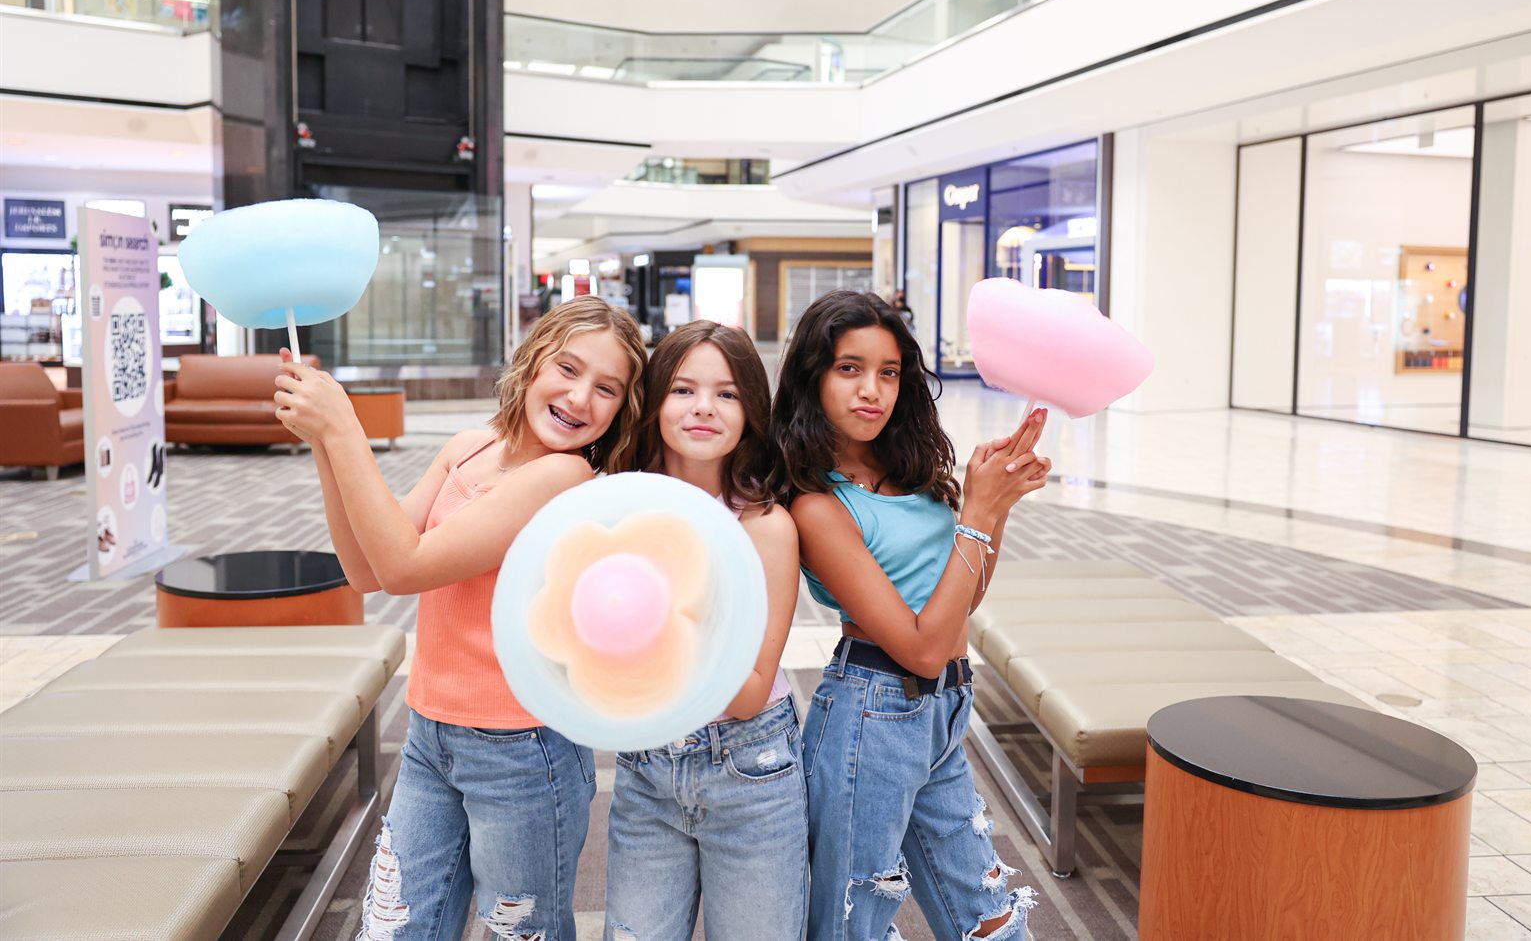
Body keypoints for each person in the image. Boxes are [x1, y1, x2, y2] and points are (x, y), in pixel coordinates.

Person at [272, 296, 647, 941]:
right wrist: (321, 445)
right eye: (567, 368)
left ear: (621, 409)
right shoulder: (468, 449)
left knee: (517, 934)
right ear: (532, 363)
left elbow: (405, 567)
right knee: (394, 927)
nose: (580, 397)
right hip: (430, 733)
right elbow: (366, 569)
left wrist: (345, 431)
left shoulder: (564, 476)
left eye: (606, 388)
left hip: (522, 750)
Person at [772, 290, 1049, 941]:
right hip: (873, 713)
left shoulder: (907, 473)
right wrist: (977, 515)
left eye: (889, 372)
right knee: (854, 920)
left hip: (945, 710)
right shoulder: (816, 503)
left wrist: (995, 502)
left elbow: (960, 607)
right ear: (814, 376)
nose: (873, 390)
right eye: (849, 368)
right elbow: (921, 646)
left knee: (989, 910)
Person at [604, 319, 807, 940]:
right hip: (646, 764)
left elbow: (747, 692)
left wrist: (655, 608)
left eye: (727, 394)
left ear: (751, 410)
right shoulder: (614, 507)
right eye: (684, 389)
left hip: (752, 771)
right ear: (655, 399)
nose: (704, 409)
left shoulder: (765, 526)